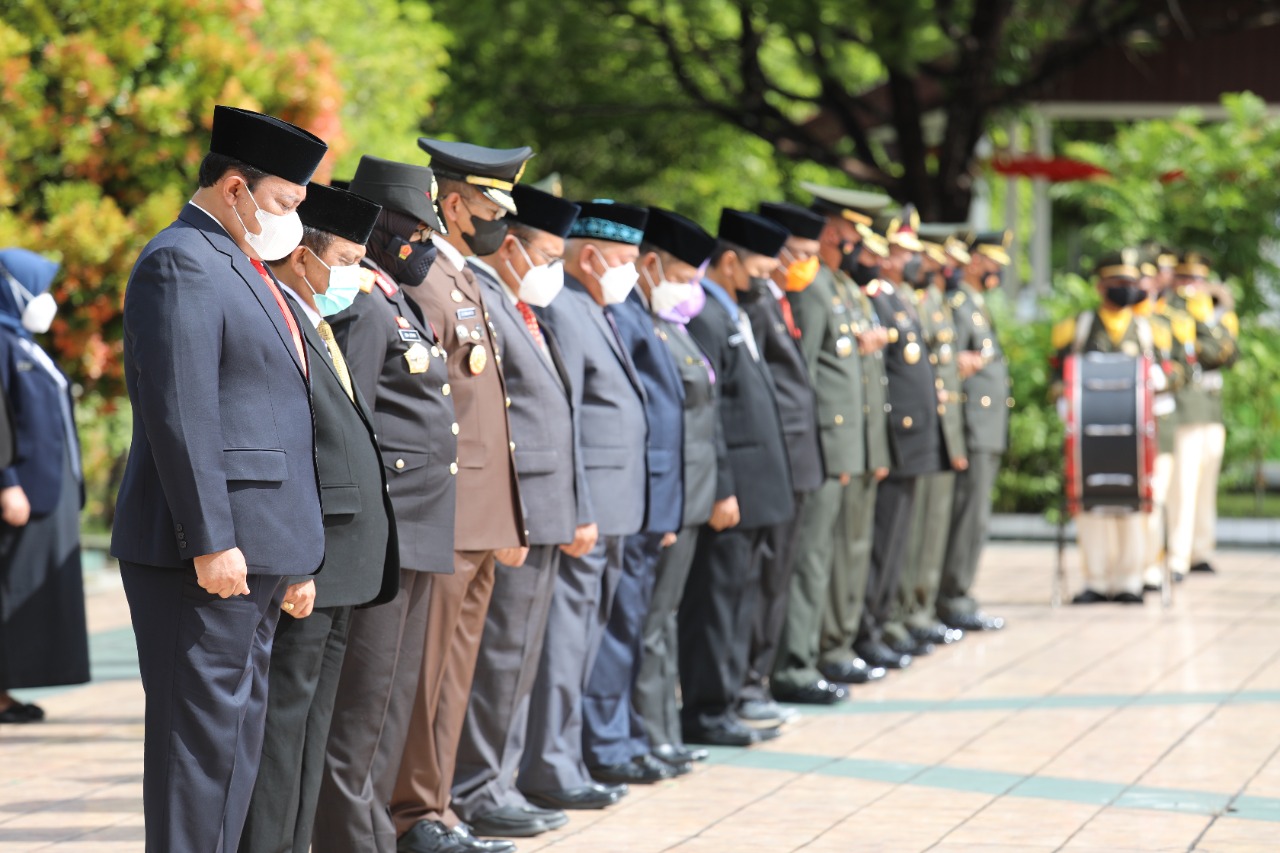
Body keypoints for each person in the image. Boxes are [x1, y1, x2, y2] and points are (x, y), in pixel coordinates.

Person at [112, 105, 328, 852]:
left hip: (259, 549)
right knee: (195, 753)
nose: (293, 220)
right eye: (284, 202)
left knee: (233, 745)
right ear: (236, 187)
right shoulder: (182, 260)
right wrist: (211, 537)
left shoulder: (240, 265)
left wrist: (299, 549)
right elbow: (183, 410)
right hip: (203, 552)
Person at [240, 183, 398, 853]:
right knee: (283, 724)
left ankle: (298, 841)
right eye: (348, 259)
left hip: (346, 560)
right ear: (303, 257)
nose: (358, 277)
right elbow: (291, 445)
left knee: (313, 721)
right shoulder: (279, 318)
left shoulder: (318, 322)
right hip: (315, 555)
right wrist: (302, 557)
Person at [390, 138, 533, 853]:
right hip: (444, 512)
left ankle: (438, 805)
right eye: (488, 208)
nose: (497, 223)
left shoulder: (463, 277)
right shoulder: (423, 279)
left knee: (455, 671)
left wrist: (508, 510)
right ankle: (412, 812)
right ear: (453, 204)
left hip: (480, 512)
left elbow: (490, 408)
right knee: (426, 671)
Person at [314, 155, 458, 853]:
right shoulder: (366, 306)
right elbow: (352, 418)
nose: (425, 245)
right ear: (381, 228)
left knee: (392, 700)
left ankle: (371, 831)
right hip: (389, 527)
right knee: (362, 705)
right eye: (415, 231)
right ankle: (350, 839)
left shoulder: (392, 298)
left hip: (420, 524)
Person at [452, 184, 584, 840]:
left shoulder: (520, 307)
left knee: (520, 655)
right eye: (548, 253)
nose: (552, 268)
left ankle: (496, 777)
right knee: (500, 656)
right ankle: (479, 786)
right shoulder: (486, 299)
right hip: (518, 511)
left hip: (544, 507)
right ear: (512, 248)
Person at [518, 200, 649, 811]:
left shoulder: (599, 307)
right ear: (590, 255)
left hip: (617, 508)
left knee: (587, 642)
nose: (632, 271)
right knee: (566, 645)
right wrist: (579, 507)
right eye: (624, 260)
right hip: (589, 510)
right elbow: (567, 418)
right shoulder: (568, 309)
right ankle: (550, 764)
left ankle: (567, 757)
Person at [579, 205, 692, 786]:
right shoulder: (615, 313)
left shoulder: (639, 314)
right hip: (623, 498)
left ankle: (623, 736)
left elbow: (658, 419)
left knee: (629, 628)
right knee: (615, 631)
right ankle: (608, 742)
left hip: (646, 501)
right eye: (622, 260)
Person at [768, 188, 890, 704]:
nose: (855, 248)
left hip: (850, 445)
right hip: (825, 445)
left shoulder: (842, 287)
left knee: (842, 553)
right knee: (814, 557)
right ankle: (799, 658)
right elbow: (807, 376)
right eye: (848, 236)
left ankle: (829, 648)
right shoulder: (813, 288)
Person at [681, 209, 794, 747]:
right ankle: (707, 709)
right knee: (717, 602)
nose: (766, 281)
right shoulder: (705, 313)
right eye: (760, 270)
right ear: (729, 262)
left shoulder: (733, 310)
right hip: (735, 487)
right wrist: (723, 486)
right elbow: (714, 413)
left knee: (740, 599)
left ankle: (726, 700)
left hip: (756, 484)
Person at [628, 208, 718, 771]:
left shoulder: (673, 325)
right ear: (651, 263)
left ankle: (662, 729)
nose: (689, 288)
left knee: (665, 619)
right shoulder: (641, 321)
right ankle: (647, 732)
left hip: (688, 495)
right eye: (682, 275)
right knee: (649, 622)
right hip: (662, 495)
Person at [736, 202, 826, 725]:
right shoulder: (756, 300)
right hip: (775, 459)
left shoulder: (778, 298)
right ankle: (748, 684)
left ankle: (758, 680)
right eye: (800, 255)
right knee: (761, 577)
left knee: (778, 577)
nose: (802, 267)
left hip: (798, 457)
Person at [1051, 249, 1178, 603]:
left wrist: (1158, 380)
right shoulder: (1075, 327)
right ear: (1100, 286)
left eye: (1129, 283)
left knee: (1132, 506)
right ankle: (1095, 579)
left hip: (1135, 435)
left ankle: (1128, 580)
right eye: (1116, 283)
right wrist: (1065, 400)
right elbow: (1057, 375)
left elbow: (1175, 373)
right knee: (1091, 504)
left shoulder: (1151, 329)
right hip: (1090, 433)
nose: (1124, 289)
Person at [0, 249, 88, 724]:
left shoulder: (23, 341)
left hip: (48, 492)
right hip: (21, 493)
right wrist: (5, 481)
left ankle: (7, 689)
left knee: (30, 595)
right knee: (9, 590)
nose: (48, 298)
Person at [856, 220, 947, 670]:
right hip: (895, 434)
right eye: (905, 251)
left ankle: (884, 621)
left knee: (898, 541)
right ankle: (872, 625)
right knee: (883, 539)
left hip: (913, 436)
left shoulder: (899, 298)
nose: (914, 259)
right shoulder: (876, 296)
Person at [936, 231, 1013, 633]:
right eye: (990, 260)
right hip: (971, 426)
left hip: (985, 427)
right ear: (971, 260)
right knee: (967, 518)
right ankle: (953, 597)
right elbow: (954, 372)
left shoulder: (974, 304)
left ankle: (959, 593)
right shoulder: (958, 304)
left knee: (975, 517)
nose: (997, 268)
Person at [1163, 251, 1238, 578]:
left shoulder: (1212, 312)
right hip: (1188, 409)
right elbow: (1204, 353)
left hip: (1212, 409)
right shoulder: (1173, 311)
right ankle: (1177, 556)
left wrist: (1210, 316)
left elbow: (1230, 354)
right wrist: (1203, 321)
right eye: (1186, 279)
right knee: (1184, 485)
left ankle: (1200, 550)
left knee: (1206, 484)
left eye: (1197, 279)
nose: (1192, 286)